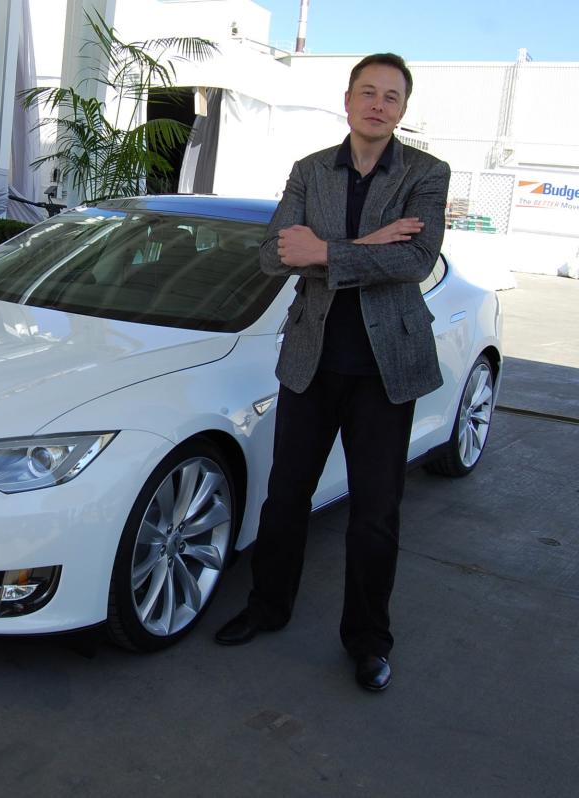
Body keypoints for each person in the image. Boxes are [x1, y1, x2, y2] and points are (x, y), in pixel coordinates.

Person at [214, 53, 450, 692]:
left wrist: (322, 249)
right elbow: (272, 255)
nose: (378, 104)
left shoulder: (427, 173)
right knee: (285, 495)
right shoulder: (309, 170)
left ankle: (369, 639)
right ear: (347, 100)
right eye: (367, 92)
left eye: (391, 96)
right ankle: (268, 606)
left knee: (376, 513)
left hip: (384, 371)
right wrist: (372, 245)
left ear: (402, 109)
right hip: (311, 360)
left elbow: (418, 260)